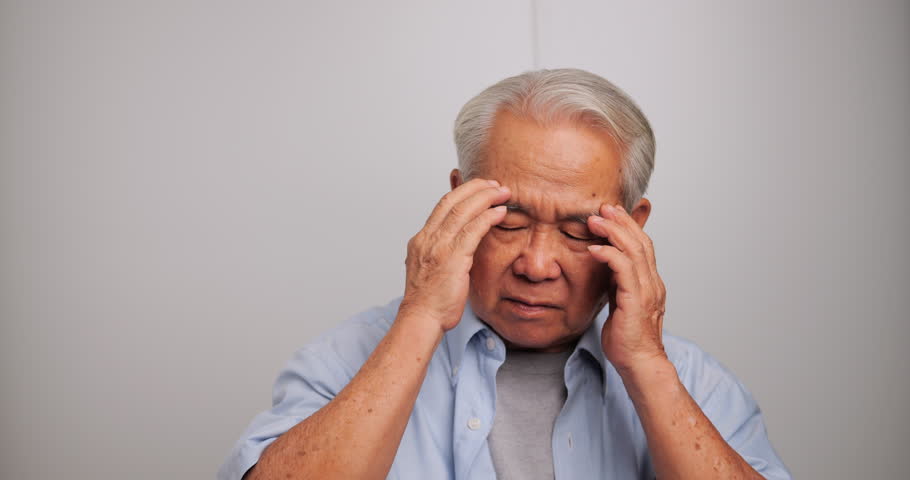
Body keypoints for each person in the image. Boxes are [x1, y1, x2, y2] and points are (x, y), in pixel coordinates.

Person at [218, 68, 791, 480]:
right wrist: (419, 317)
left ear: (634, 230)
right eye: (509, 220)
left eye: (577, 231)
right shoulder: (343, 361)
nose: (537, 265)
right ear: (457, 203)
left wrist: (644, 364)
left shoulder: (694, 383)